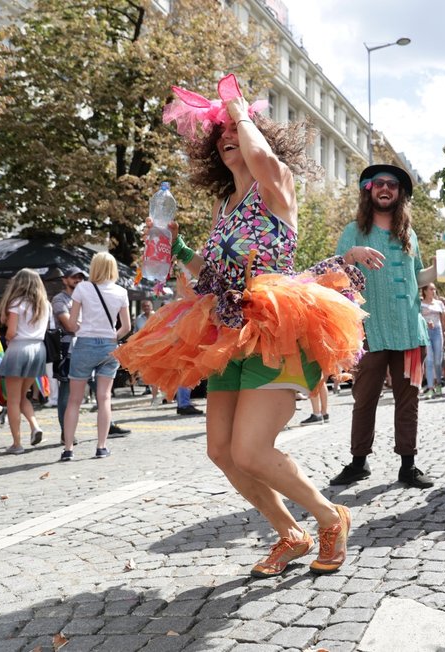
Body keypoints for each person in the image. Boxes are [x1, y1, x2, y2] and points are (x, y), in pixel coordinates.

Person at [116, 74, 364, 576]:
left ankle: (329, 516)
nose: (226, 134)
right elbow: (207, 276)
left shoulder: (277, 186)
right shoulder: (223, 205)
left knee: (252, 449)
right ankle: (289, 534)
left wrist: (240, 111)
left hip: (276, 325)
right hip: (225, 328)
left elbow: (266, 161)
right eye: (220, 132)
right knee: (222, 452)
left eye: (235, 128)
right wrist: (173, 247)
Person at [327, 163, 439, 490]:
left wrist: (436, 269)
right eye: (379, 183)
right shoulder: (353, 231)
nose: (386, 188)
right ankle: (359, 462)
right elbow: (333, 272)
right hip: (369, 333)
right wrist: (352, 254)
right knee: (364, 399)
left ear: (400, 194)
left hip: (413, 331)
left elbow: (418, 278)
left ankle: (409, 465)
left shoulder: (411, 235)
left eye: (392, 184)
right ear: (369, 190)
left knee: (410, 399)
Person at [59, 252, 130, 460]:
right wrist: (111, 338)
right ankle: (101, 446)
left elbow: (71, 324)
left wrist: (83, 329)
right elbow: (125, 327)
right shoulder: (121, 292)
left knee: (74, 399)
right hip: (110, 346)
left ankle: (68, 449)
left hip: (85, 345)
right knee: (104, 398)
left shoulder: (82, 288)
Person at [0, 269, 50, 453]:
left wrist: (9, 339)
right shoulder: (45, 305)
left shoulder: (17, 303)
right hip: (38, 349)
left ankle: (17, 444)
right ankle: (35, 426)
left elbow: (10, 332)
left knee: (12, 399)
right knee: (22, 395)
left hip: (19, 348)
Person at [52, 266, 87, 445]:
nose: (78, 280)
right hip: (66, 349)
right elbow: (69, 325)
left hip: (84, 347)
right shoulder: (60, 299)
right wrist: (88, 326)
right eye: (74, 277)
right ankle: (66, 433)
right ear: (65, 280)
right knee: (66, 392)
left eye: (81, 277)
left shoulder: (86, 298)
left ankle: (70, 430)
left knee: (81, 393)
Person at [419, 283, 445, 399]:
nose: (433, 291)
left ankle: (439, 384)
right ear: (425, 291)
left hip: (437, 332)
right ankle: (430, 388)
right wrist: (426, 324)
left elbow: (444, 321)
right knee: (429, 361)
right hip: (426, 332)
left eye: (434, 289)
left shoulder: (439, 303)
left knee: (437, 361)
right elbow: (418, 319)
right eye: (431, 289)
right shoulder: (420, 304)